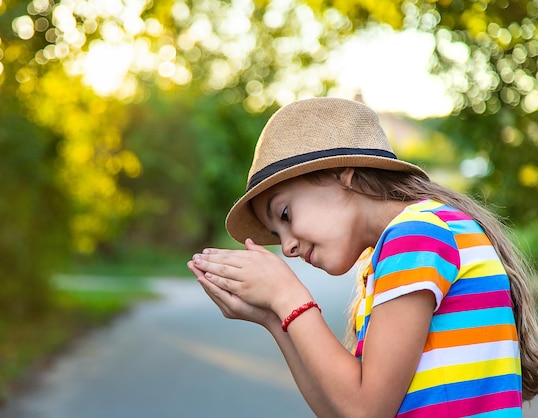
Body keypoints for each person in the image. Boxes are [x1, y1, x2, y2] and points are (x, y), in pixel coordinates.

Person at [187, 97, 538, 417]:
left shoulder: (415, 236)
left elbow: (366, 411)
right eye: (278, 238)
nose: (288, 247)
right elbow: (341, 410)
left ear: (345, 177)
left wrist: (288, 295)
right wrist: (274, 318)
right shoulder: (407, 243)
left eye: (285, 216)